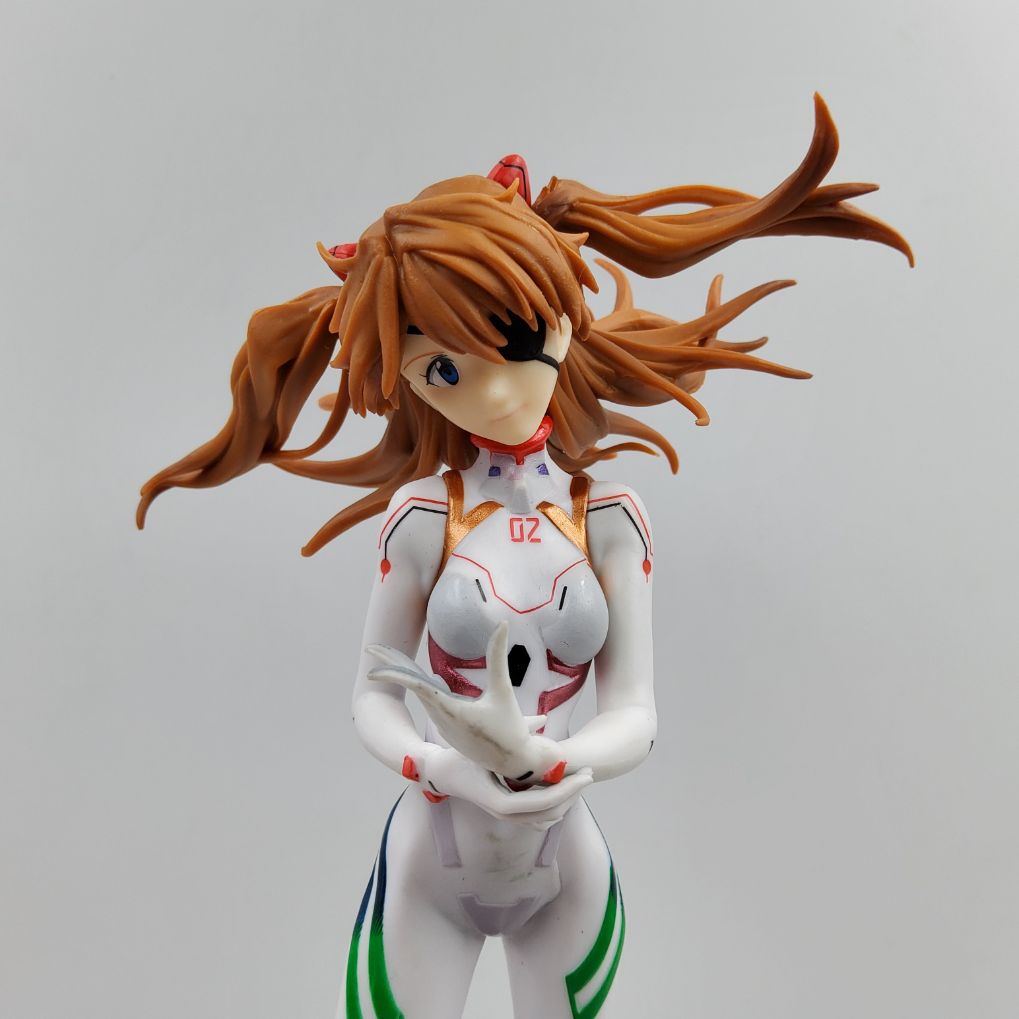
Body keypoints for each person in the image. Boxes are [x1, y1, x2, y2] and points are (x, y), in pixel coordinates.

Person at [139, 96, 911, 1018]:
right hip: (430, 858)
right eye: (441, 370)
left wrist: (556, 758)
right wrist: (445, 768)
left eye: (513, 338)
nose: (495, 392)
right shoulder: (423, 515)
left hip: (564, 862)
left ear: (560, 310)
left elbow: (635, 713)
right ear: (411, 384)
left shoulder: (610, 518)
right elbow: (372, 695)